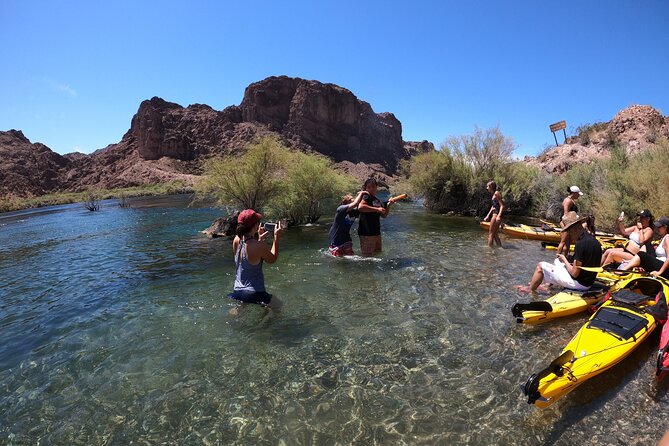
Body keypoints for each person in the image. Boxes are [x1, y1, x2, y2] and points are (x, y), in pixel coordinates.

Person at [527, 211, 602, 292]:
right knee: (557, 262)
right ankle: (546, 285)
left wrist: (564, 259)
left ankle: (530, 291)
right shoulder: (595, 241)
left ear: (574, 229)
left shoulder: (580, 244)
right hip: (588, 282)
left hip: (579, 284)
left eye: (568, 231)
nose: (569, 235)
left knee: (540, 266)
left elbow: (574, 273)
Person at [228, 209, 283, 310]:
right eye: (258, 222)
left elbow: (249, 252)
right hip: (255, 293)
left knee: (240, 309)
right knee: (278, 306)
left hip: (238, 291)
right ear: (254, 226)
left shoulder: (236, 240)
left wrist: (260, 239)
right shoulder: (258, 246)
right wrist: (276, 238)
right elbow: (272, 259)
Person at [357, 178, 392, 256]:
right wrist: (377, 209)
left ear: (377, 187)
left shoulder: (378, 201)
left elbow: (384, 215)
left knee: (377, 254)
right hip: (366, 232)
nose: (371, 189)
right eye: (369, 187)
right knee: (367, 257)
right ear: (365, 188)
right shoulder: (366, 196)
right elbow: (361, 207)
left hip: (376, 232)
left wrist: (389, 205)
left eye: (373, 187)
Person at [328, 191, 365, 257]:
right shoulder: (341, 209)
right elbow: (356, 203)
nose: (354, 205)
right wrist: (362, 193)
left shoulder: (354, 212)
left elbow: (361, 205)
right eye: (350, 202)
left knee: (350, 257)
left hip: (346, 239)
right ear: (345, 203)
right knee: (338, 260)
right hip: (336, 238)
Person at [556, 186, 584, 255]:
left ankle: (564, 258)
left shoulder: (571, 200)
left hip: (570, 224)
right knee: (563, 241)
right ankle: (557, 258)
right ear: (574, 193)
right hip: (565, 223)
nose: (578, 196)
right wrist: (568, 226)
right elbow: (566, 214)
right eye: (578, 194)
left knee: (568, 242)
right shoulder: (568, 201)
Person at [483, 181, 504, 247]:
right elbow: (493, 206)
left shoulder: (496, 193)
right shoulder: (493, 194)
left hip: (496, 215)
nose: (487, 188)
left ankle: (489, 251)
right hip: (495, 214)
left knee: (491, 234)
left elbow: (502, 205)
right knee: (495, 234)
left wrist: (499, 216)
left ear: (491, 187)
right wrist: (488, 215)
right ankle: (500, 248)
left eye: (488, 186)